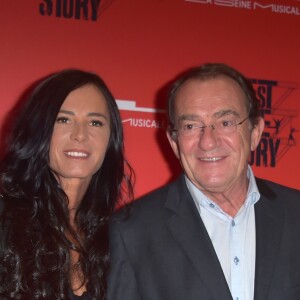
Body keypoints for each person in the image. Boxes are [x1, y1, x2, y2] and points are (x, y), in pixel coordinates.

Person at [107, 63, 300, 300]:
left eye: (226, 122)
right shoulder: (131, 233)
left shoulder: (296, 214)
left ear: (255, 132)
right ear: (174, 142)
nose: (208, 141)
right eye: (190, 126)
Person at [0, 69, 133, 300]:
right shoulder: (5, 222)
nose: (80, 135)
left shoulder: (116, 238)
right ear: (39, 130)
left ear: (110, 139)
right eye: (63, 119)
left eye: (95, 122)